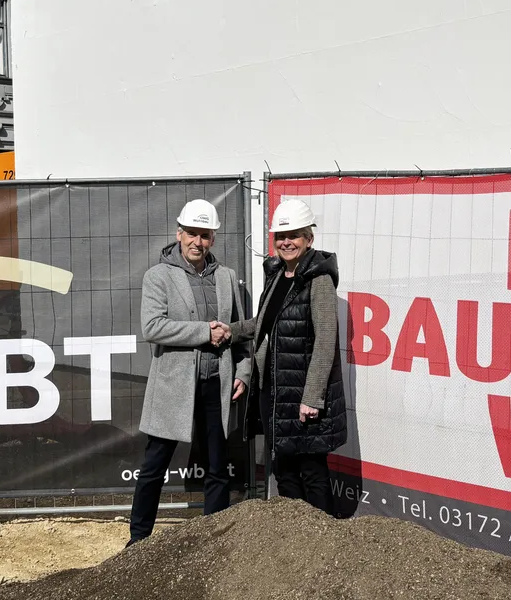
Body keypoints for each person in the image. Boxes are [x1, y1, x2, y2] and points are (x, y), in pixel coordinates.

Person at [127, 199, 251, 546]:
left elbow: (238, 332)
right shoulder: (158, 276)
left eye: (205, 235)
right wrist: (203, 332)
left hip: (217, 382)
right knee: (155, 465)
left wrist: (243, 372)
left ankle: (213, 540)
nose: (198, 241)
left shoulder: (226, 278)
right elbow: (152, 327)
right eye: (192, 234)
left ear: (213, 238)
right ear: (179, 234)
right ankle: (138, 540)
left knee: (217, 464)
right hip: (174, 385)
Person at [230, 198, 347, 513]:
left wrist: (312, 397)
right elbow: (263, 324)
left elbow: (325, 338)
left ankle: (324, 541)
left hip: (302, 395)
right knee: (284, 470)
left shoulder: (319, 279)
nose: (286, 242)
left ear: (308, 238)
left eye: (294, 235)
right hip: (275, 390)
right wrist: (229, 332)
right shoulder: (277, 275)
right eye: (280, 236)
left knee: (311, 471)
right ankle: (293, 544)